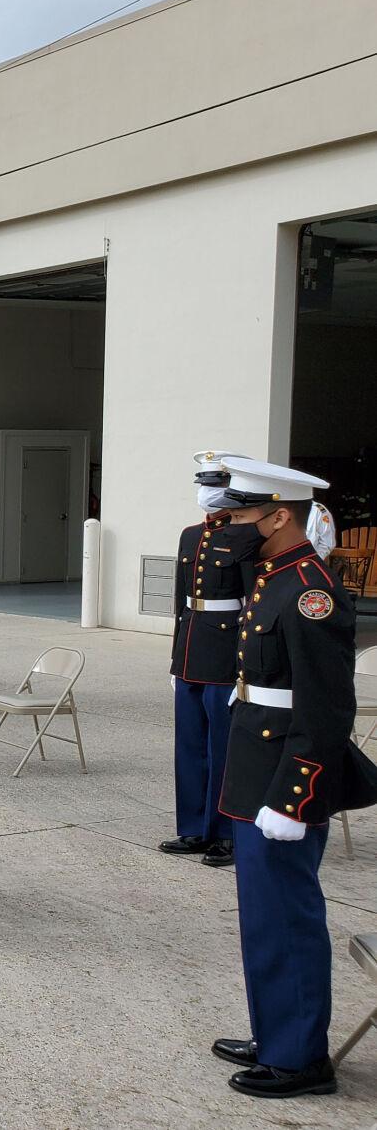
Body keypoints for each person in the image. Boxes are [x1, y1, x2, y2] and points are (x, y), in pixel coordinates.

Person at [209, 457, 377, 1099]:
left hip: (284, 776)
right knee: (263, 915)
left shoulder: (311, 589)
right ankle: (277, 1029)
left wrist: (294, 795)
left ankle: (302, 1057)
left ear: (281, 516)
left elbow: (328, 708)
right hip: (258, 762)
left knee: (288, 913)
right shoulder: (274, 575)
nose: (230, 523)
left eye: (245, 514)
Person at [160, 452, 246, 869]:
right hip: (192, 649)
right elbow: (182, 602)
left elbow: (253, 606)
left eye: (214, 487)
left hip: (226, 653)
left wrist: (247, 666)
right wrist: (176, 658)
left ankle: (226, 834)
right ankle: (192, 827)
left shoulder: (248, 538)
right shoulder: (190, 535)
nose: (205, 494)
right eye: (203, 485)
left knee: (223, 747)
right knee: (190, 745)